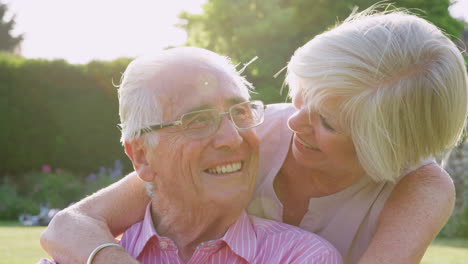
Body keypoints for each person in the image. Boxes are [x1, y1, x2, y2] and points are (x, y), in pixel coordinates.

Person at [40, 6, 468, 264]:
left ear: (387, 148)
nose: (295, 122)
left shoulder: (420, 188)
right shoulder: (250, 133)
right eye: (303, 97)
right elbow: (69, 225)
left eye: (327, 123)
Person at [38, 47, 342, 264]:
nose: (231, 138)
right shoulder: (80, 253)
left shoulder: (302, 257)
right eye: (197, 120)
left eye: (239, 112)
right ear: (142, 156)